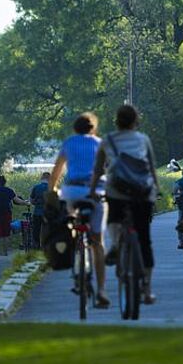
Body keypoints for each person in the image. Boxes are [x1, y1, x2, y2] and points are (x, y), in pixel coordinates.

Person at [90, 104, 159, 305]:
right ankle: (147, 290)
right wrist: (155, 189)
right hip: (142, 192)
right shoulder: (143, 139)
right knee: (145, 239)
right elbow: (152, 167)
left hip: (117, 190)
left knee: (113, 218)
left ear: (117, 121)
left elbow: (98, 170)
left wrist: (93, 191)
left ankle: (116, 242)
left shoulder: (107, 140)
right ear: (136, 121)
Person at [48, 112, 110, 308]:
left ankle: (74, 239)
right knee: (98, 243)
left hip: (72, 191)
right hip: (96, 191)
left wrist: (52, 190)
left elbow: (56, 171)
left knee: (71, 218)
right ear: (93, 128)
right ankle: (100, 291)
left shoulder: (69, 143)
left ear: (75, 128)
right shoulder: (100, 143)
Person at [0, 175, 31, 256]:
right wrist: (26, 203)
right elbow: (17, 201)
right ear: (5, 182)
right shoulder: (9, 191)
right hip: (6, 213)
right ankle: (5, 252)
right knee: (6, 233)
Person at [27, 172, 50, 250]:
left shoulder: (36, 187)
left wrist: (35, 203)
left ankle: (36, 247)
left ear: (42, 178)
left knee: (36, 231)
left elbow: (31, 200)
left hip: (37, 212)